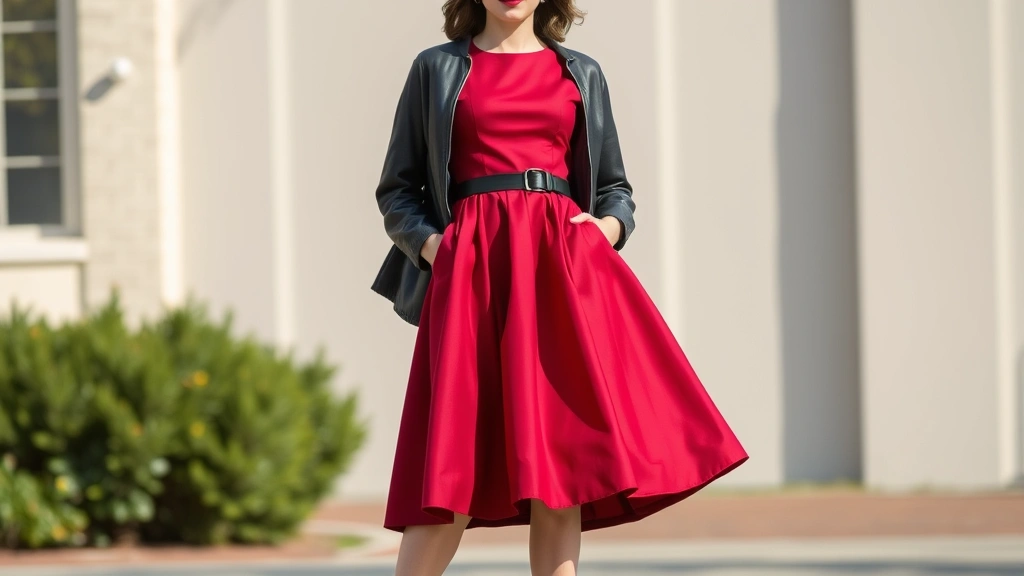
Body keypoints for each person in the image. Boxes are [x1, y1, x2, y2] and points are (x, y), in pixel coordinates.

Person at [370, 1, 749, 574]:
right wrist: (436, 249)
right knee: (449, 471)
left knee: (559, 473)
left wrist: (606, 230)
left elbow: (615, 188)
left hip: (558, 278)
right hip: (474, 277)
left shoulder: (582, 73)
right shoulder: (436, 67)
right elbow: (398, 192)